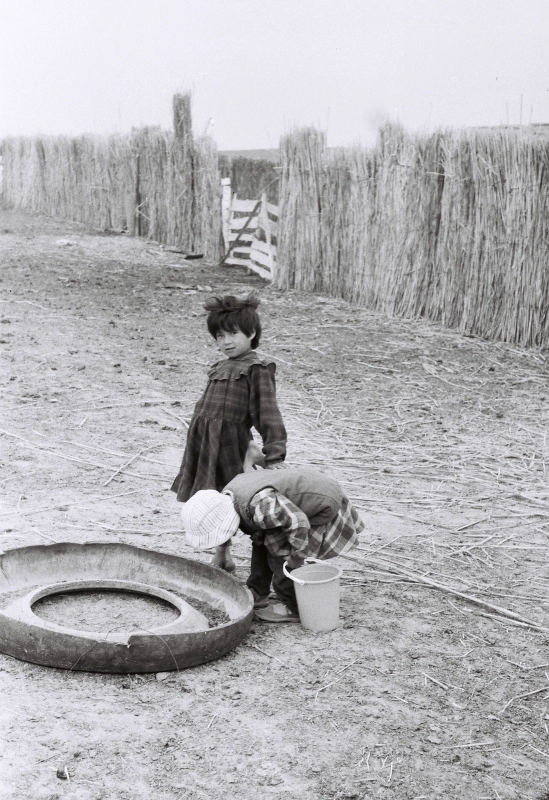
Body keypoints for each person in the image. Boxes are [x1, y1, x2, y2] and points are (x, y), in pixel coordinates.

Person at [171, 292, 287, 573]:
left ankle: (260, 566)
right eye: (219, 336)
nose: (226, 342)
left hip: (230, 446)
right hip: (205, 444)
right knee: (210, 499)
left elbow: (267, 412)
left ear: (252, 332)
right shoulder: (219, 367)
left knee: (235, 500)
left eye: (233, 334)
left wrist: (274, 452)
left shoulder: (256, 369)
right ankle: (222, 553)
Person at [181, 467, 365, 623]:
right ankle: (257, 592)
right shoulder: (232, 495)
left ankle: (295, 608)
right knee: (261, 542)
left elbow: (298, 522)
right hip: (291, 507)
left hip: (320, 503)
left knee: (280, 557)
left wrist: (296, 555)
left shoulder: (261, 507)